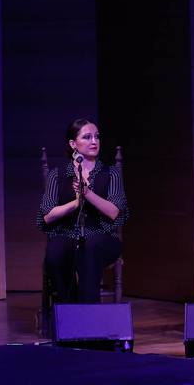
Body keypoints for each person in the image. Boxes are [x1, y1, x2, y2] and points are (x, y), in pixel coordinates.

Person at [38, 119, 127, 304]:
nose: (94, 141)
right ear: (73, 144)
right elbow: (47, 215)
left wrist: (87, 193)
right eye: (87, 137)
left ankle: (89, 312)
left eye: (97, 137)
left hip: (102, 237)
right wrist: (76, 203)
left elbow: (114, 212)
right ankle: (70, 309)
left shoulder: (111, 174)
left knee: (90, 248)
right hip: (68, 234)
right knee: (55, 254)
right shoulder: (58, 174)